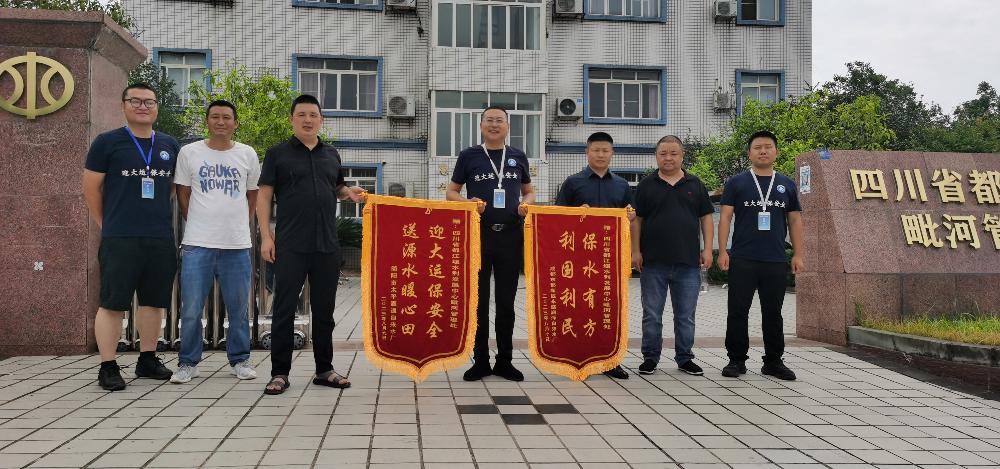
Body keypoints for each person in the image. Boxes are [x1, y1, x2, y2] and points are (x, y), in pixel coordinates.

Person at [256, 94, 366, 395]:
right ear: (291, 119)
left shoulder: (331, 154)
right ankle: (279, 373)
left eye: (313, 115)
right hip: (290, 244)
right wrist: (266, 236)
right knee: (283, 309)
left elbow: (337, 187)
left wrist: (348, 192)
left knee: (325, 311)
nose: (307, 120)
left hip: (326, 245)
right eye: (301, 114)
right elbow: (264, 196)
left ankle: (324, 369)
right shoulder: (277, 154)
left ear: (321, 120)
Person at [82, 83, 180, 391]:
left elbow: (171, 189)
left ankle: (147, 359)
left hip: (159, 236)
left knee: (154, 302)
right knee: (113, 302)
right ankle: (108, 366)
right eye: (135, 101)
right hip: (120, 237)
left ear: (157, 107)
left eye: (149, 101)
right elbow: (91, 188)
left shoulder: (169, 144)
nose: (142, 106)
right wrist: (106, 222)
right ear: (123, 105)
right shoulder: (107, 142)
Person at [170, 100, 260, 384]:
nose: (221, 122)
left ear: (235, 123)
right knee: (191, 308)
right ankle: (188, 363)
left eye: (226, 117)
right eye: (215, 117)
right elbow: (183, 194)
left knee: (238, 308)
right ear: (207, 121)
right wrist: (199, 221)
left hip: (237, 245)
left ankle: (240, 360)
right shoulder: (189, 152)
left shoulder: (247, 154)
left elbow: (253, 195)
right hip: (198, 243)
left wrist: (239, 222)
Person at [446, 105, 536, 382]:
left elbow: (529, 191)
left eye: (499, 121)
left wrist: (526, 204)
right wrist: (468, 202)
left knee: (506, 302)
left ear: (507, 127)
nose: (494, 125)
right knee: (479, 302)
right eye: (489, 120)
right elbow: (451, 192)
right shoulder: (469, 156)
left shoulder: (518, 156)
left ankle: (505, 361)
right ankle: (481, 361)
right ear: (481, 126)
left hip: (510, 236)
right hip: (478, 236)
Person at [717, 130, 803, 381]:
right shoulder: (737, 183)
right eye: (757, 147)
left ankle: (773, 361)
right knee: (737, 311)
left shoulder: (787, 184)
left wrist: (798, 254)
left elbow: (795, 220)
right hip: (742, 258)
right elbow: (725, 218)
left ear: (776, 152)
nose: (763, 151)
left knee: (773, 313)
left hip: (775, 259)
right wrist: (723, 250)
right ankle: (736, 360)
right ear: (749, 153)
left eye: (768, 147)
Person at [554, 131, 634, 380]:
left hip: (610, 258)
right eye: (596, 150)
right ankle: (580, 358)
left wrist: (630, 216)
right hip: (579, 259)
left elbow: (630, 217)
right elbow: (557, 218)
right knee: (580, 308)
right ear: (587, 152)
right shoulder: (572, 183)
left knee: (608, 308)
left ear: (612, 153)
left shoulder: (622, 185)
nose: (601, 154)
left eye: (605, 150)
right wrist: (576, 213)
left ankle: (611, 361)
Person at [632, 136, 714, 376]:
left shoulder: (695, 184)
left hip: (688, 263)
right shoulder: (646, 185)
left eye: (673, 153)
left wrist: (708, 249)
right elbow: (637, 220)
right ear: (656, 156)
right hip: (653, 263)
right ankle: (650, 357)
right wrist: (635, 251)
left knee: (686, 315)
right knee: (652, 314)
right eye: (663, 153)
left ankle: (685, 358)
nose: (668, 158)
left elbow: (706, 218)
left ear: (682, 155)